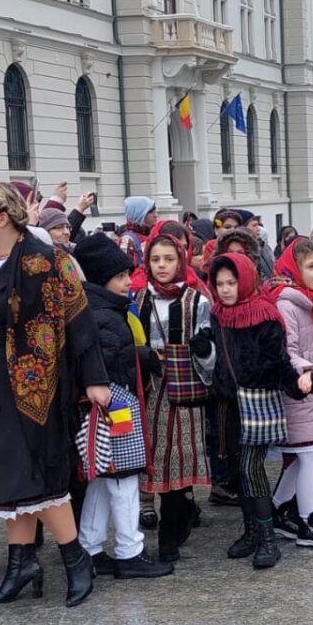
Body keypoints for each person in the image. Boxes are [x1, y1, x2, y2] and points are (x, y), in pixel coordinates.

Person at [0, 183, 108, 608]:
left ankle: (75, 559)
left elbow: (80, 319)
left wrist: (94, 377)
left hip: (30, 386)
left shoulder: (47, 260)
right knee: (4, 476)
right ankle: (21, 563)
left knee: (34, 474)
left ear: (2, 217)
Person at [68, 231, 174, 580]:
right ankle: (130, 551)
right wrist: (142, 356)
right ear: (102, 278)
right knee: (123, 479)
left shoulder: (95, 308)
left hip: (103, 407)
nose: (129, 281)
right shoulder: (105, 314)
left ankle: (90, 547)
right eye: (121, 276)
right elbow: (110, 362)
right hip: (114, 406)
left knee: (102, 479)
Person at [208, 253, 306, 569]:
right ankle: (251, 532)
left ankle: (267, 538)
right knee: (238, 470)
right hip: (230, 404)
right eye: (220, 283)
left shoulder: (265, 314)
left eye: (231, 282)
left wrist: (298, 384)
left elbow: (279, 361)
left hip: (259, 401)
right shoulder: (218, 314)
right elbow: (218, 360)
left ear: (246, 280)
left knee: (251, 468)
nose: (225, 289)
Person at [137, 228, 214, 561]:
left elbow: (209, 354)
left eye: (169, 259)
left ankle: (170, 533)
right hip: (149, 390)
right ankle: (175, 518)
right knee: (154, 460)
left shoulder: (197, 301)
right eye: (155, 259)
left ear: (180, 260)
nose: (162, 265)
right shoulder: (139, 299)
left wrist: (204, 349)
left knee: (179, 460)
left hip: (183, 389)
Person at [267, 239, 313, 550]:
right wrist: (309, 369)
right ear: (293, 269)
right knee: (309, 455)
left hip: (310, 390)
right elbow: (289, 350)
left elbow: (308, 347)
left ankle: (275, 511)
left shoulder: (308, 301)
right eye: (310, 266)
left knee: (302, 457)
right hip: (297, 390)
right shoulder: (288, 304)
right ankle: (306, 521)